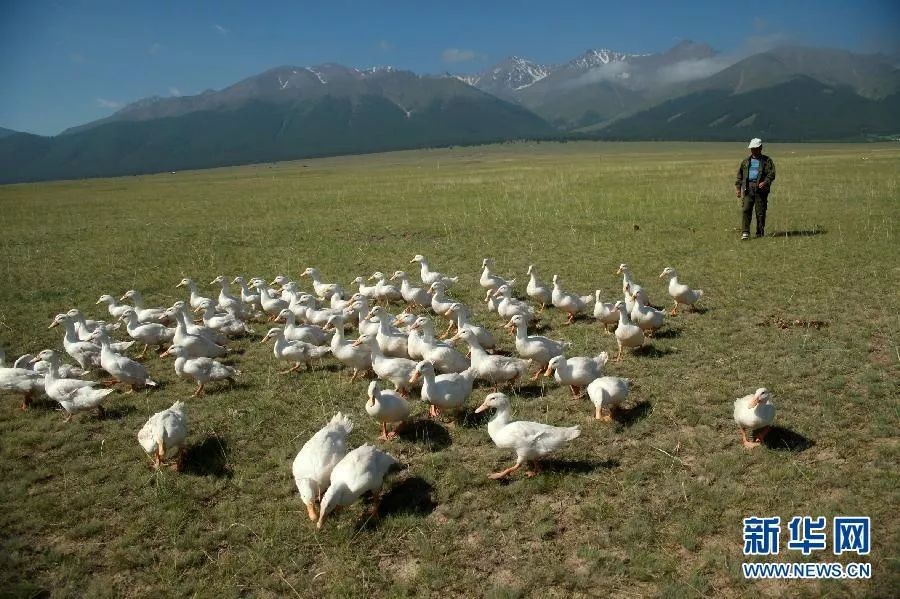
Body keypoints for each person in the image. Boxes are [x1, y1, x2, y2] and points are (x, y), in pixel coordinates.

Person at [735, 138, 776, 240]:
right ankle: (745, 232)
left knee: (760, 211)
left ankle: (760, 232)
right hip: (748, 188)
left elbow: (772, 174)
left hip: (761, 189)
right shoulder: (745, 162)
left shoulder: (767, 161)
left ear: (760, 148)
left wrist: (765, 182)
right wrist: (738, 189)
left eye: (755, 148)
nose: (753, 150)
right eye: (752, 148)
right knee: (746, 209)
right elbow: (740, 176)